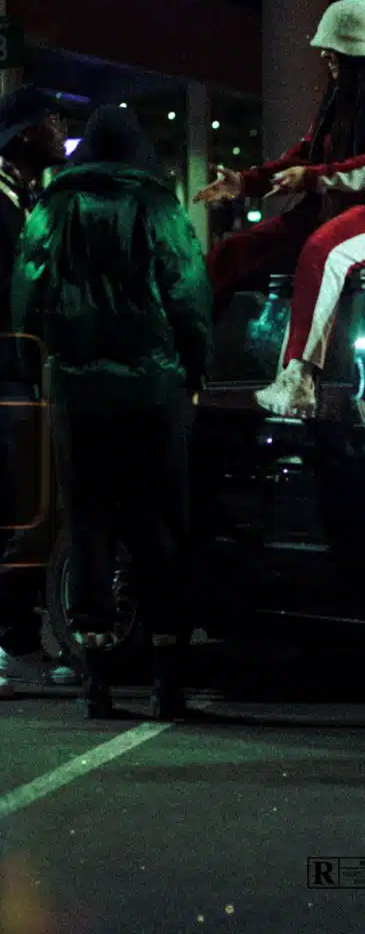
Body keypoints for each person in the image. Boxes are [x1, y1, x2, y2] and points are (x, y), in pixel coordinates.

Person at [11, 105, 213, 719]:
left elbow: (27, 296)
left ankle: (96, 678)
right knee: (160, 527)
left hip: (77, 395)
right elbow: (187, 293)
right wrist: (195, 368)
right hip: (153, 392)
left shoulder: (54, 208)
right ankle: (166, 680)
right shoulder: (158, 206)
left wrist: (36, 368)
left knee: (89, 526)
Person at [193, 0, 365, 418]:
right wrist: (246, 182)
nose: (325, 57)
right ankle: (189, 364)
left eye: (333, 50)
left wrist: (314, 177)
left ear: (358, 53)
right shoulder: (342, 94)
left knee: (323, 251)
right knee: (233, 252)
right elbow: (307, 154)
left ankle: (298, 381)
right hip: (332, 210)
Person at [0, 84, 77, 697]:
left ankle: (17, 639)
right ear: (25, 132)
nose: (61, 131)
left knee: (26, 508)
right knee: (23, 510)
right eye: (53, 120)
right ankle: (14, 643)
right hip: (7, 375)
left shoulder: (24, 197)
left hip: (20, 372)